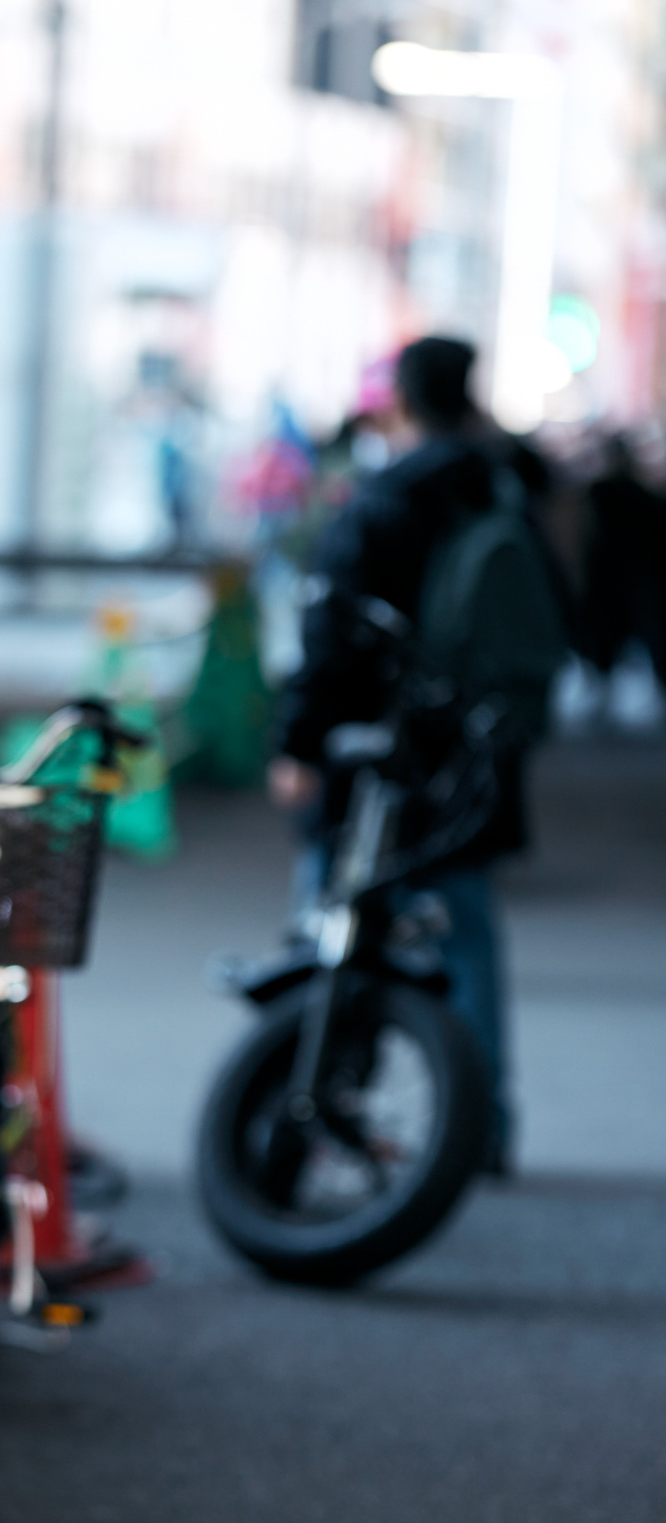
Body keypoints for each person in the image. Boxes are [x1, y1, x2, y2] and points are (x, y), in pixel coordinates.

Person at [267, 335, 565, 1172]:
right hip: (474, 748)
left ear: (399, 399)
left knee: (330, 922)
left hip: (378, 757)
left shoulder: (386, 497)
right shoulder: (507, 486)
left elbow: (330, 626)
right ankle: (481, 1128)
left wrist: (297, 743)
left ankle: (307, 1109)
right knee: (464, 929)